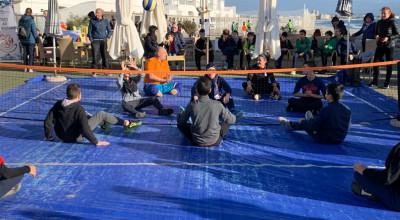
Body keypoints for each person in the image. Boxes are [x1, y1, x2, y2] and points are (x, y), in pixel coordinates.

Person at [44, 84, 141, 146]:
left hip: (61, 136)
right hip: (76, 137)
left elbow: (48, 120)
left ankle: (102, 123)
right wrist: (96, 142)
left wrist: (48, 136)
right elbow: (85, 129)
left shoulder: (58, 104)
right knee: (101, 113)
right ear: (79, 96)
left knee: (85, 114)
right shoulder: (78, 108)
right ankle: (127, 124)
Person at [279, 83, 351, 144]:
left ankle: (289, 124)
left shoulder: (325, 110)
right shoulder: (347, 109)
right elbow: (347, 127)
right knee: (318, 121)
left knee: (304, 123)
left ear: (330, 95)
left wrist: (303, 122)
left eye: (326, 92)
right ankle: (310, 119)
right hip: (340, 139)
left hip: (324, 139)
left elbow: (313, 128)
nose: (325, 93)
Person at [177, 76, 236, 146]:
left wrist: (180, 114)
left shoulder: (192, 105)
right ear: (210, 90)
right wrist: (229, 115)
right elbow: (232, 120)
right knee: (227, 120)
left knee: (181, 124)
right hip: (215, 141)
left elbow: (181, 121)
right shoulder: (217, 104)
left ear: (197, 91)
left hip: (197, 141)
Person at [351, 142, 400, 212]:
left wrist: (365, 171)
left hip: (396, 201)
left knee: (359, 175)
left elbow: (387, 179)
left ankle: (376, 195)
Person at [369, 6, 400, 89]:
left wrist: (388, 38)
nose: (383, 15)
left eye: (384, 13)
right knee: (376, 63)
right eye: (382, 13)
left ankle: (387, 82)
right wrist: (376, 36)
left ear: (389, 14)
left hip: (390, 46)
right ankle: (375, 82)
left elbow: (398, 34)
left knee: (388, 64)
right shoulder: (379, 22)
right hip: (380, 45)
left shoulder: (393, 22)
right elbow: (375, 33)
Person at [88, 8, 112, 77]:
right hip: (95, 40)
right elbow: (89, 31)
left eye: (98, 12)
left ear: (101, 13)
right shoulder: (92, 21)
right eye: (96, 12)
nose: (96, 14)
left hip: (103, 40)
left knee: (104, 55)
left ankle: (105, 70)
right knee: (95, 55)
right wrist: (91, 39)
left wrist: (107, 37)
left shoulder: (106, 21)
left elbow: (109, 31)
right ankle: (94, 71)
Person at [18, 8, 38, 73]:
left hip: (23, 39)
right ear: (31, 13)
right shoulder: (31, 20)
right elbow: (34, 30)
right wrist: (36, 39)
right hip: (30, 39)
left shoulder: (20, 20)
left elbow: (19, 29)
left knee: (25, 53)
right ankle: (30, 68)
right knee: (31, 53)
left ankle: (25, 68)